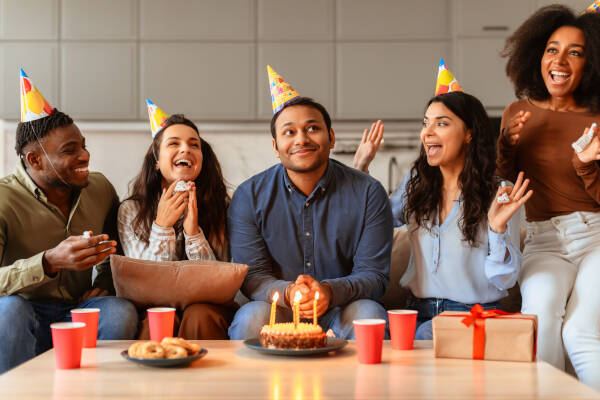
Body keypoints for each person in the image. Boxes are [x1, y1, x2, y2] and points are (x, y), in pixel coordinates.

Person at [227, 66, 393, 340]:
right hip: (277, 309)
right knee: (250, 318)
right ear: (275, 146)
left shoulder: (369, 193)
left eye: (312, 128)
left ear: (331, 137)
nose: (301, 139)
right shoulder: (249, 196)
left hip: (342, 307)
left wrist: (328, 291)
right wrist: (290, 292)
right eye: (289, 132)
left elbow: (374, 276)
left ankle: (365, 385)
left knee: (369, 314)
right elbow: (252, 276)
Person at [356, 90, 531, 339]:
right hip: (416, 313)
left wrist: (496, 229)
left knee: (418, 346)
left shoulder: (500, 192)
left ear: (470, 133)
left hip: (472, 317)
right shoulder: (416, 184)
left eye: (441, 123)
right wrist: (361, 169)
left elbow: (505, 280)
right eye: (426, 123)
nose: (427, 133)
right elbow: (376, 221)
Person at [0, 70, 138, 374]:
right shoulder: (3, 198)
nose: (85, 156)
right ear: (34, 159)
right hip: (24, 312)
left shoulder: (100, 189)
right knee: (8, 311)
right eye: (70, 151)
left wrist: (102, 284)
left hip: (78, 308)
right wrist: (48, 262)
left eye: (83, 146)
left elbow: (113, 253)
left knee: (119, 311)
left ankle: (96, 393)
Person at [497, 5, 600, 388]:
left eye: (575, 52)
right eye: (552, 49)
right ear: (536, 55)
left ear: (590, 63)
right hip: (543, 240)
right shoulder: (517, 112)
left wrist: (586, 166)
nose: (559, 61)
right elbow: (503, 185)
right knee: (539, 319)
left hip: (596, 238)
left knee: (579, 332)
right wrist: (506, 145)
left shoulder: (597, 118)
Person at [117, 100, 233, 339]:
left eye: (194, 145)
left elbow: (216, 284)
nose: (186, 149)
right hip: (151, 307)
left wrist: (193, 233)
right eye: (174, 143)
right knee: (156, 320)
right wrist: (162, 226)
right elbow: (147, 288)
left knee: (199, 314)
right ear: (157, 162)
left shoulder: (223, 206)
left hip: (207, 307)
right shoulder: (130, 211)